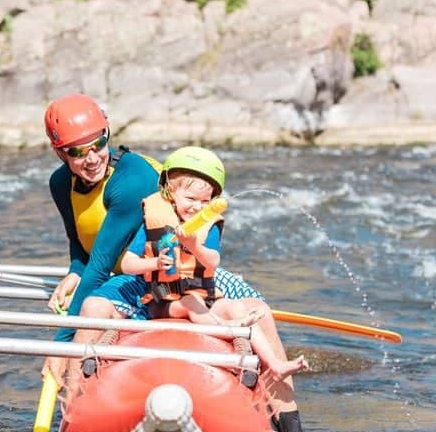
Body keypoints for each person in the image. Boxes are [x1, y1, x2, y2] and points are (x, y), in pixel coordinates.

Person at [41, 93, 310, 432]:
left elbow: (102, 263)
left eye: (98, 144)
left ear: (108, 134)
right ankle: (72, 416)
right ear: (60, 153)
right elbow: (86, 249)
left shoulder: (133, 182)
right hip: (139, 277)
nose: (91, 158)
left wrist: (58, 346)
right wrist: (76, 272)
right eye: (77, 151)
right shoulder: (62, 184)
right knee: (92, 308)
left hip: (186, 276)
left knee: (258, 313)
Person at [119, 146, 309, 384]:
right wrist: (154, 262)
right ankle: (228, 329)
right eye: (190, 199)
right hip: (162, 302)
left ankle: (276, 364)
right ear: (169, 192)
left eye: (204, 201)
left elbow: (213, 261)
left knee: (238, 308)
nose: (197, 207)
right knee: (191, 301)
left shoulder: (208, 226)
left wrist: (194, 245)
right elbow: (127, 264)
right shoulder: (153, 222)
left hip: (203, 297)